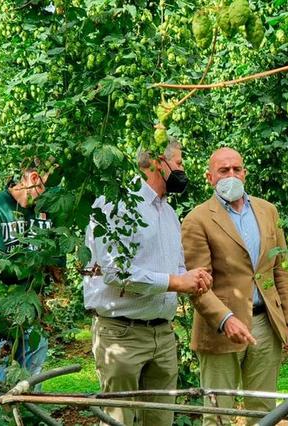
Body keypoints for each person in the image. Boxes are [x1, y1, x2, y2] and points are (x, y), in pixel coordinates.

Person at [83, 139, 212, 426]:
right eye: (178, 163)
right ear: (156, 162)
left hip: (162, 335)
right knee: (119, 418)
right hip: (122, 333)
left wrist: (193, 278)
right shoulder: (115, 204)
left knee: (160, 419)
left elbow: (176, 267)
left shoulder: (168, 214)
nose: (182, 169)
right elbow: (116, 272)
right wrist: (177, 282)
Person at [181, 147, 288, 426]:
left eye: (236, 169)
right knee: (218, 412)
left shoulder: (268, 211)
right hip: (221, 328)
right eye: (223, 171)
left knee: (263, 410)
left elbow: (279, 268)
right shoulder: (197, 220)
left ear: (244, 172)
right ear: (210, 177)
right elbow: (197, 284)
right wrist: (225, 319)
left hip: (265, 323)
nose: (231, 175)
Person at [0, 160, 55, 399]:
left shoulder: (45, 210)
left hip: (32, 311)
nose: (54, 195)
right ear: (34, 178)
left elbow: (55, 258)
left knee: (29, 389)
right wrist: (36, 266)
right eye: (51, 186)